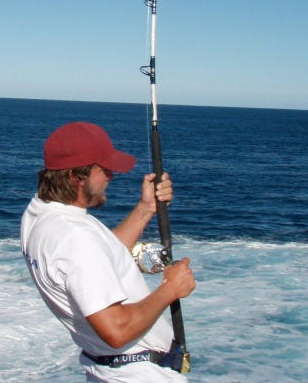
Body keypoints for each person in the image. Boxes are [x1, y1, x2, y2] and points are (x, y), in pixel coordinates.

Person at [20, 121, 196, 382]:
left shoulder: (38, 214)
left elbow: (98, 255)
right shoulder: (76, 236)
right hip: (137, 373)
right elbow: (117, 330)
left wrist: (146, 208)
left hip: (107, 369)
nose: (112, 177)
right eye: (104, 170)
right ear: (75, 177)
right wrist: (170, 289)